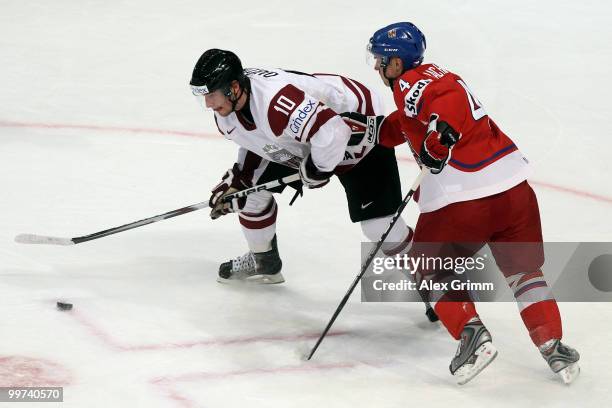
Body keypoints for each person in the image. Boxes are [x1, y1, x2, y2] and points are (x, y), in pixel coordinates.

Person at [344, 22, 580, 384]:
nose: (377, 67)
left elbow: (445, 102)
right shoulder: (423, 85)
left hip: (462, 200)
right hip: (514, 192)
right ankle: (553, 345)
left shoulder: (414, 81)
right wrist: (374, 129)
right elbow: (408, 121)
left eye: (381, 60)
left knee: (430, 269)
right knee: (525, 274)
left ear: (398, 63)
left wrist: (442, 135)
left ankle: (472, 336)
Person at [189, 49, 414, 286]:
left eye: (211, 95)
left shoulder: (275, 103)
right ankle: (264, 261)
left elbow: (333, 133)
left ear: (234, 88)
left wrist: (317, 170)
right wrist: (241, 180)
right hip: (308, 134)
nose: (208, 103)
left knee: (380, 227)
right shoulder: (227, 114)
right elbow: (257, 142)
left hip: (356, 123)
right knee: (250, 193)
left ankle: (443, 285)